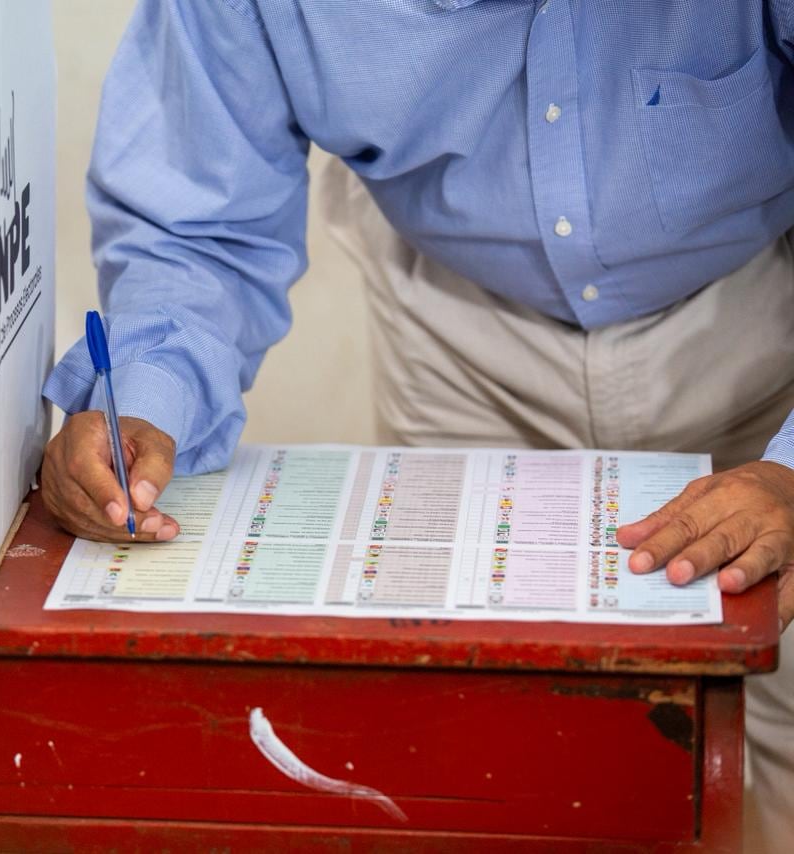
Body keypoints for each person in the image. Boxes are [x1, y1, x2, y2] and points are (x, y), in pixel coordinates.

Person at [40, 1, 794, 848]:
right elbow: (198, 228)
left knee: (781, 737)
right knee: (486, 749)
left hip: (758, 323)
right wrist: (146, 403)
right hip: (462, 326)